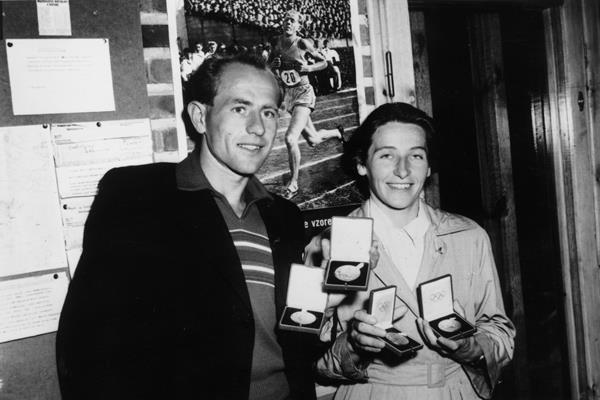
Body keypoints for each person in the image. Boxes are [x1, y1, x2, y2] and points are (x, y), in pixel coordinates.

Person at [56, 53, 321, 400]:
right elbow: (87, 346)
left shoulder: (284, 216)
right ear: (200, 116)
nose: (258, 127)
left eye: (268, 112)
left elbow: (294, 338)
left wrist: (320, 282)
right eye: (240, 108)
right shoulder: (137, 197)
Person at [314, 103, 515, 399]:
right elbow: (309, 361)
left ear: (429, 165)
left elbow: (501, 331)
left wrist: (472, 347)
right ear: (361, 164)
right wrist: (354, 345)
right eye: (387, 155)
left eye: (416, 155)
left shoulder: (469, 236)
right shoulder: (325, 246)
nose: (403, 170)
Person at [270, 10, 343, 199]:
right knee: (313, 140)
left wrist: (308, 67)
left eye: (292, 21)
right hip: (290, 95)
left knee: (290, 138)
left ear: (298, 26)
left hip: (304, 93)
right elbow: (268, 65)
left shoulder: (302, 43)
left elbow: (324, 63)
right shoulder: (276, 42)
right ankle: (337, 133)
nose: (288, 23)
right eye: (286, 19)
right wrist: (272, 65)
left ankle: (293, 183)